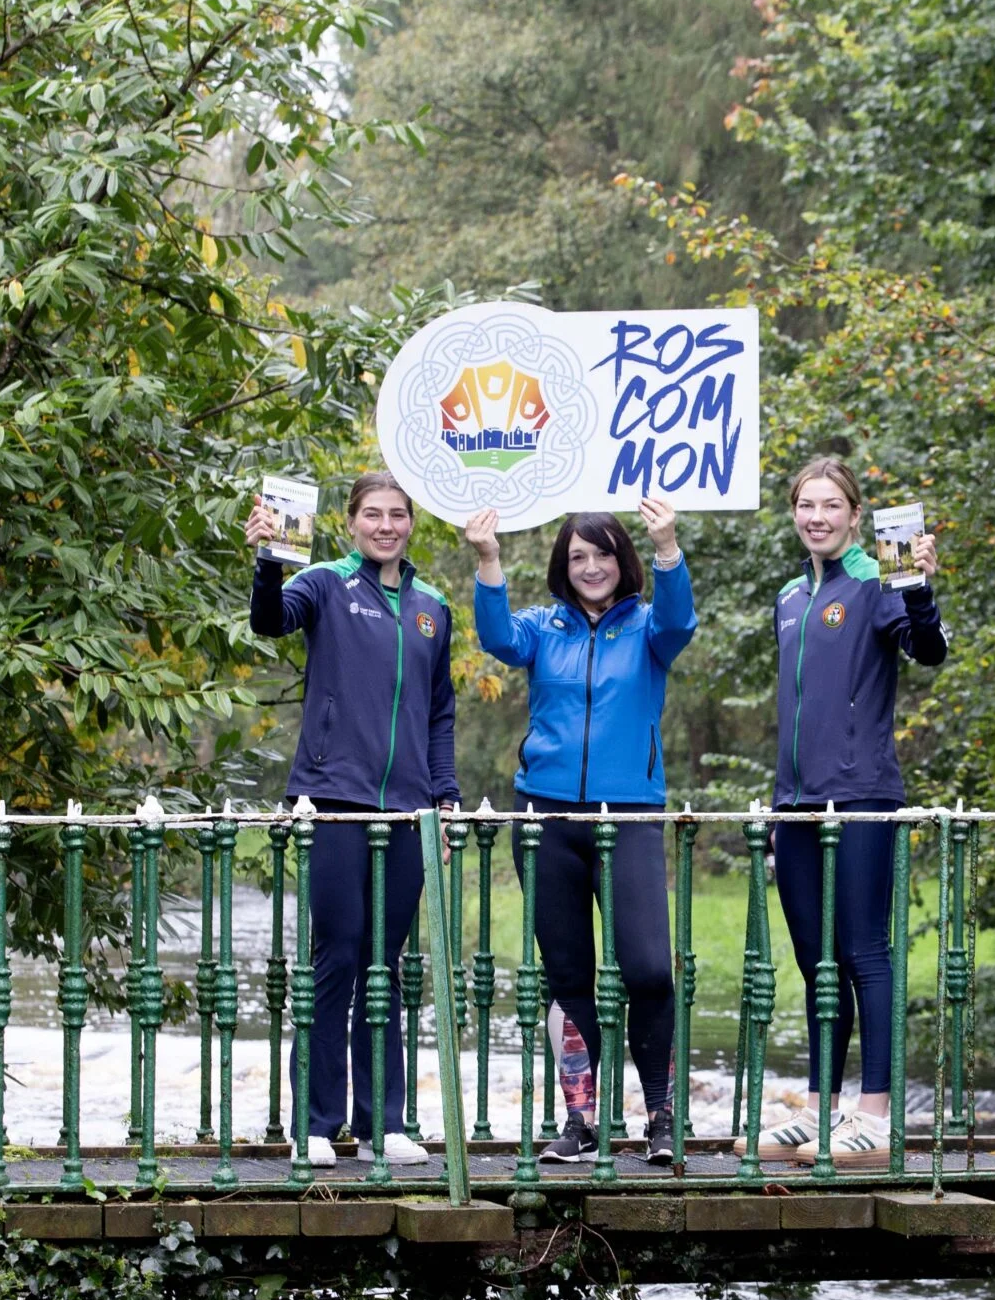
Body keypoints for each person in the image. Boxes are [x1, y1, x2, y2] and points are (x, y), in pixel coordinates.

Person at [468, 497, 697, 1165]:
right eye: (578, 556)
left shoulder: (650, 627)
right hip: (546, 817)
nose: (591, 566)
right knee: (568, 974)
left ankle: (661, 1117)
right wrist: (488, 558)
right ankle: (581, 1121)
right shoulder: (542, 627)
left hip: (628, 815)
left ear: (622, 560)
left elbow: (681, 620)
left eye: (603, 554)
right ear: (562, 567)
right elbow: (497, 638)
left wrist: (667, 547)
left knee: (648, 969)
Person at [247, 472, 457, 1169]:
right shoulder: (325, 583)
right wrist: (267, 558)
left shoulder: (433, 607)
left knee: (383, 965)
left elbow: (439, 713)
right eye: (373, 514)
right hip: (332, 799)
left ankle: (382, 1124)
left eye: (397, 514)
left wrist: (445, 798)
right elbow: (270, 619)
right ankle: (315, 1123)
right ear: (351, 521)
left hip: (407, 809)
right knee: (337, 954)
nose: (386, 525)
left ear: (411, 523)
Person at [763, 457, 944, 1165]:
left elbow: (928, 648)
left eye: (831, 505)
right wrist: (778, 807)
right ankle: (821, 1111)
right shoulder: (789, 597)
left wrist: (919, 587)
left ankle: (876, 1116)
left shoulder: (878, 581)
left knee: (864, 951)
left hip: (862, 793)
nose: (817, 517)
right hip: (796, 804)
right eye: (806, 505)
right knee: (817, 963)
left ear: (855, 514)